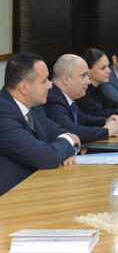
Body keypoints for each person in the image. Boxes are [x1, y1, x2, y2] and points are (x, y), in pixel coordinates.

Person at [0, 53, 80, 195]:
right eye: (44, 81)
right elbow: (46, 157)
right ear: (24, 87)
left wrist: (64, 150)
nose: (50, 85)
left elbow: (55, 130)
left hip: (36, 186)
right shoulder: (3, 112)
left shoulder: (33, 106)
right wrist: (68, 142)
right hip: (11, 198)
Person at [44, 54, 118, 143]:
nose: (88, 81)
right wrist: (106, 131)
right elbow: (71, 131)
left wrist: (106, 120)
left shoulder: (66, 97)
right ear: (66, 79)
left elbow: (84, 119)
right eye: (84, 76)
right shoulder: (52, 100)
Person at [76, 48, 118, 118]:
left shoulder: (99, 87)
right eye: (103, 68)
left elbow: (111, 104)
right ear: (88, 70)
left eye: (108, 66)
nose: (109, 71)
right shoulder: (83, 91)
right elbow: (96, 114)